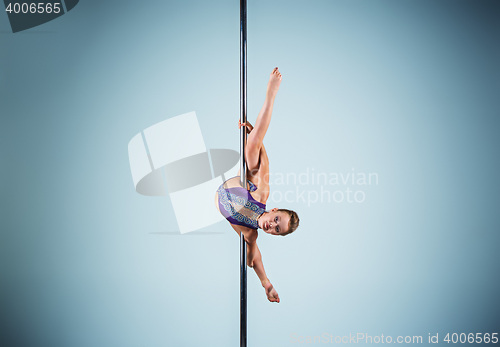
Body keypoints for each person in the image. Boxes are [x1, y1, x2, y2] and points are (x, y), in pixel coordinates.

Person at [215, 67, 300, 303]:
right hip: (241, 187)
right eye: (276, 220)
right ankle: (271, 94)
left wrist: (267, 285)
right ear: (274, 210)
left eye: (276, 229)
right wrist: (255, 140)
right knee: (254, 152)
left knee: (250, 252)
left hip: (224, 200)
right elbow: (265, 162)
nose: (271, 226)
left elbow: (254, 262)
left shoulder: (252, 234)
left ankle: (254, 139)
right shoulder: (262, 193)